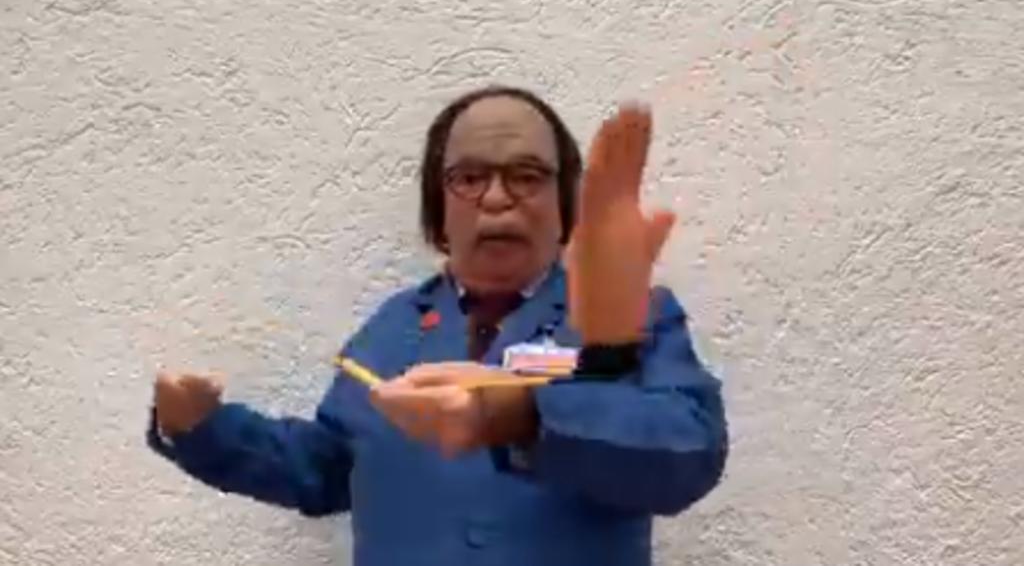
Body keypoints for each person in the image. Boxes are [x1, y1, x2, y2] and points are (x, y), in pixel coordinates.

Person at [147, 85, 728, 566]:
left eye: (527, 175)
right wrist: (201, 429)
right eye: (469, 178)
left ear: (566, 205)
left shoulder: (629, 313)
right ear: (438, 209)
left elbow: (688, 455)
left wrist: (523, 417)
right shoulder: (392, 329)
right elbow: (325, 470)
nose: (497, 198)